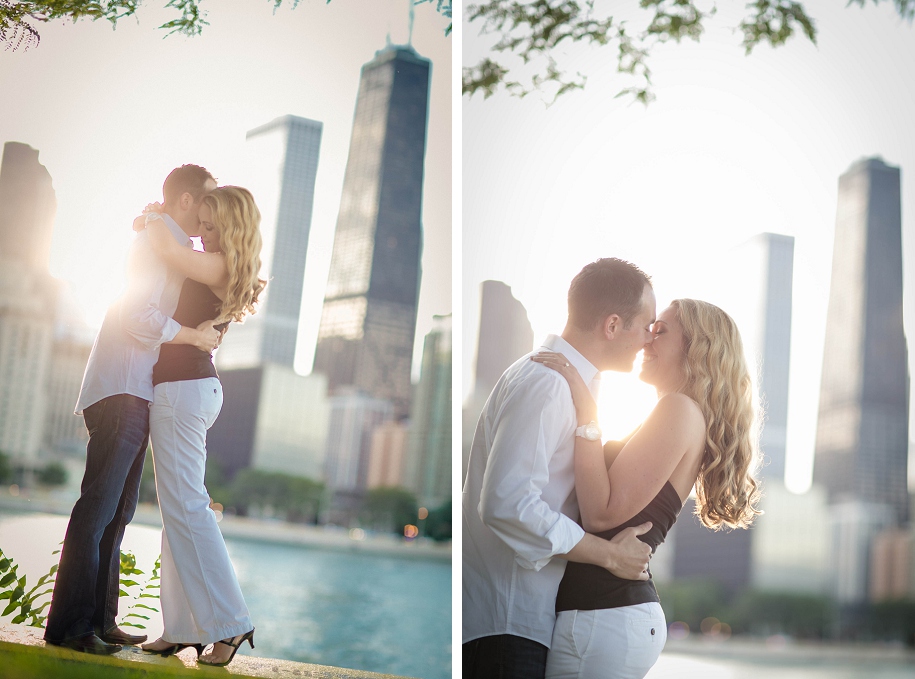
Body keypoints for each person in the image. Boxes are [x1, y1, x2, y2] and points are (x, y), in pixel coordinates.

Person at [533, 298, 761, 679]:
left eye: (661, 331)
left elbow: (600, 512)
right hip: (603, 617)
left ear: (696, 347)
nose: (646, 341)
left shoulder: (679, 410)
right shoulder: (676, 413)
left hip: (603, 617)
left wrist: (589, 415)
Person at [44, 165, 221, 655]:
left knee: (118, 514)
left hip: (134, 388)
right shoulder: (156, 239)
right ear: (185, 200)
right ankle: (72, 627)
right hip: (122, 387)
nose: (209, 209)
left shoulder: (164, 237)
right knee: (97, 510)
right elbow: (135, 313)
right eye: (206, 199)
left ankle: (100, 622)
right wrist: (190, 336)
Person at [463, 258, 657, 679]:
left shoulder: (570, 385)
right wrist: (609, 556)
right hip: (506, 626)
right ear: (611, 325)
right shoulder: (547, 383)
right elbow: (505, 503)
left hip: (521, 624)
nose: (649, 339)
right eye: (646, 325)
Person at [133, 186, 265, 667]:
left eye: (210, 226)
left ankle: (230, 623)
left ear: (232, 228)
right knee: (178, 513)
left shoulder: (221, 263)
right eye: (202, 225)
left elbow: (168, 248)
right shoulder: (223, 264)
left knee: (187, 507)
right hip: (187, 390)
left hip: (183, 391)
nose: (202, 235)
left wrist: (152, 215)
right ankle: (184, 627)